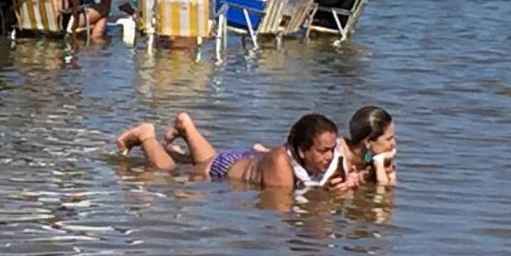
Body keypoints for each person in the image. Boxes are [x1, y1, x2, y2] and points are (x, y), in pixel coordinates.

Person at [116, 111, 357, 191]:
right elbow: (283, 204)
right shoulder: (281, 163)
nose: (329, 156)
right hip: (224, 169)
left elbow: (360, 161)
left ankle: (186, 127)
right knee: (168, 172)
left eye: (331, 149)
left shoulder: (335, 157)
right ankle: (146, 135)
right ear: (303, 151)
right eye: (323, 151)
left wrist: (354, 179)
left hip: (245, 159)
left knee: (206, 159)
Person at [343, 106, 398, 186]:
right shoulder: (337, 158)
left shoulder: (370, 157)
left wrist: (382, 165)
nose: (394, 143)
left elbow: (390, 191)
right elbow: (382, 194)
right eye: (388, 139)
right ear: (368, 142)